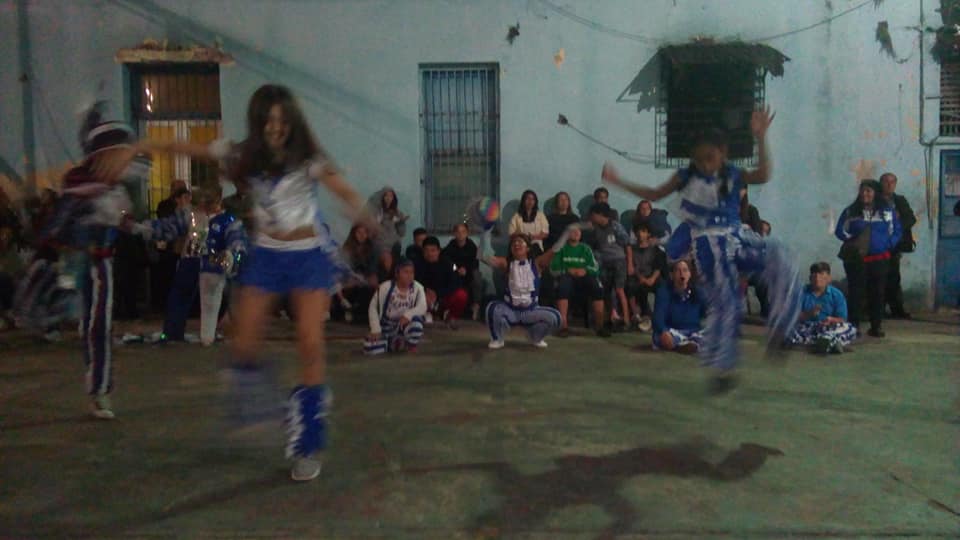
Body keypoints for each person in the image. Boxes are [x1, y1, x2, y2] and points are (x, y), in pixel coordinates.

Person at [122, 84, 372, 481]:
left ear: (292, 122)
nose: (275, 127)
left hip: (307, 256)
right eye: (267, 120)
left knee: (310, 344)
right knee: (243, 341)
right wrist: (140, 143)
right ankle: (279, 408)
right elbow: (188, 148)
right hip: (267, 256)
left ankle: (308, 442)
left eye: (282, 120)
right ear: (258, 122)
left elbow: (343, 189)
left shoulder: (309, 158)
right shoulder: (243, 155)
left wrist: (366, 215)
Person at [603, 107, 803, 394]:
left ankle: (781, 330)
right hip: (709, 245)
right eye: (699, 159)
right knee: (727, 303)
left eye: (710, 157)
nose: (705, 165)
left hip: (737, 236)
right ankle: (723, 369)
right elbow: (654, 194)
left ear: (723, 153)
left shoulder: (733, 173)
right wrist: (619, 181)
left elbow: (764, 173)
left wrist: (761, 138)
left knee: (781, 256)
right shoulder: (685, 177)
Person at [479, 226, 570, 349]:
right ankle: (498, 338)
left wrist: (566, 235)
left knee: (556, 318)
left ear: (528, 248)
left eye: (520, 242)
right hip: (510, 310)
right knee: (492, 309)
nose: (516, 244)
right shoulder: (506, 263)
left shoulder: (537, 264)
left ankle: (535, 336)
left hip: (531, 311)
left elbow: (554, 250)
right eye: (514, 243)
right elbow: (482, 257)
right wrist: (484, 234)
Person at [835, 178, 901, 338]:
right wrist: (852, 239)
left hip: (880, 260)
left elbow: (897, 231)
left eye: (869, 191)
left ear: (876, 193)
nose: (865, 194)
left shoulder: (887, 212)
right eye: (862, 191)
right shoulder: (851, 211)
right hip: (856, 260)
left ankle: (876, 326)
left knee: (877, 293)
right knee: (856, 293)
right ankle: (854, 326)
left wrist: (888, 244)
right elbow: (840, 230)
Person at [198, 184, 247, 346]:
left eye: (209, 199)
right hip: (207, 268)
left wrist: (232, 257)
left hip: (222, 268)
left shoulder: (227, 220)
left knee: (230, 302)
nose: (205, 202)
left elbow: (236, 242)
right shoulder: (201, 219)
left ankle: (237, 335)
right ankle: (208, 337)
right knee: (210, 302)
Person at [550, 225, 609, 337]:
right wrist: (568, 270)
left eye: (578, 231)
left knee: (597, 287)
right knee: (563, 287)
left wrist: (585, 270)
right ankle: (563, 327)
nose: (576, 233)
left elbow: (595, 268)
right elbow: (553, 268)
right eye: (573, 231)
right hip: (567, 276)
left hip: (584, 276)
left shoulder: (586, 249)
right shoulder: (561, 248)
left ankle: (600, 326)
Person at [786, 262, 857, 354]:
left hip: (828, 328)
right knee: (788, 330)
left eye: (821, 274)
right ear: (810, 278)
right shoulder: (800, 293)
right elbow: (792, 317)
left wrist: (831, 319)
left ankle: (822, 342)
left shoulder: (837, 294)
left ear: (829, 278)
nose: (817, 278)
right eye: (814, 275)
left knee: (849, 328)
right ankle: (830, 343)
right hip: (807, 327)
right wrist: (809, 314)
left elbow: (842, 319)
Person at [363, 258, 426, 354]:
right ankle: (392, 343)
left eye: (412, 272)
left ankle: (410, 345)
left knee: (416, 324)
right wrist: (375, 329)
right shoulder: (385, 287)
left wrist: (408, 315)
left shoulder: (418, 288)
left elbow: (422, 306)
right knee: (370, 347)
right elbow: (373, 307)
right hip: (385, 327)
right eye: (406, 272)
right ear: (397, 273)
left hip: (403, 326)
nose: (409, 276)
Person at [588, 202, 631, 330]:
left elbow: (627, 244)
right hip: (604, 263)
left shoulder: (615, 226)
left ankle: (626, 320)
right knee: (606, 291)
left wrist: (630, 264)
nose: (592, 218)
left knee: (619, 289)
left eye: (593, 215)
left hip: (619, 261)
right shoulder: (594, 229)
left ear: (600, 214)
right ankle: (609, 318)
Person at [879, 172, 916, 319]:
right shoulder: (875, 200)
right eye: (886, 182)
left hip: (895, 245)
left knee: (894, 277)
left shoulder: (900, 200)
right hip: (879, 244)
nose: (889, 185)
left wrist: (897, 225)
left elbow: (911, 218)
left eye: (892, 182)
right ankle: (878, 309)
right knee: (879, 277)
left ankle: (897, 309)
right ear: (881, 183)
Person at [652, 260, 706, 354]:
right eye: (678, 270)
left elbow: (708, 312)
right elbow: (658, 317)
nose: (682, 274)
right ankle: (684, 345)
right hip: (673, 331)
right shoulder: (664, 291)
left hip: (694, 331)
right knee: (660, 336)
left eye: (685, 270)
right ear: (672, 275)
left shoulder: (698, 292)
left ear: (690, 274)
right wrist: (663, 331)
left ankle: (687, 344)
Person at [415, 236, 467, 326]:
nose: (430, 254)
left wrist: (437, 293)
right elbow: (413, 282)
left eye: (433, 250)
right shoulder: (416, 263)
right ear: (423, 251)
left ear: (439, 251)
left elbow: (456, 283)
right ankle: (428, 313)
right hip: (425, 297)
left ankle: (450, 316)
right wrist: (425, 291)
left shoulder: (448, 263)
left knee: (461, 295)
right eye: (426, 250)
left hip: (443, 296)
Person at [336, 223, 380, 324]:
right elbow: (344, 266)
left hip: (366, 277)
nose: (362, 235)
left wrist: (365, 277)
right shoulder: (347, 247)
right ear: (354, 234)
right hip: (350, 276)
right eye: (359, 232)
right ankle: (345, 303)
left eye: (364, 233)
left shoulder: (372, 248)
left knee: (373, 284)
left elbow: (372, 268)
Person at [627, 222, 667, 332]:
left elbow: (658, 267)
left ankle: (660, 316)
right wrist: (641, 278)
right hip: (639, 277)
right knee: (631, 286)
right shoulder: (632, 249)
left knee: (661, 286)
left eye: (644, 231)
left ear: (648, 234)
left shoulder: (655, 249)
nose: (640, 234)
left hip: (652, 277)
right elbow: (633, 267)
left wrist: (652, 279)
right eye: (638, 231)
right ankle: (638, 316)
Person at [442, 223, 483, 320]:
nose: (460, 234)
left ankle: (476, 305)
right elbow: (446, 261)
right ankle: (447, 307)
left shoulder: (472, 246)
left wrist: (466, 270)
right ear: (454, 233)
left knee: (477, 276)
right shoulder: (450, 246)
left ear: (467, 233)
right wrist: (456, 269)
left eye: (463, 232)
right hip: (455, 272)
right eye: (458, 232)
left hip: (468, 272)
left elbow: (475, 263)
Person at [508, 189, 550, 257]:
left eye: (532, 199)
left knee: (534, 248)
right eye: (528, 199)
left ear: (535, 201)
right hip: (520, 244)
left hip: (536, 245)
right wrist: (523, 236)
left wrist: (534, 237)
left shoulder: (540, 215)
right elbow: (511, 234)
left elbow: (546, 233)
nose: (530, 201)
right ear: (523, 201)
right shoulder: (516, 216)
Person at [375, 186, 408, 262]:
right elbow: (372, 229)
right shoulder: (376, 211)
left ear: (394, 198)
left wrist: (401, 222)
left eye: (391, 196)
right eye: (386, 195)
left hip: (394, 246)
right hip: (380, 246)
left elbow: (402, 233)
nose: (388, 198)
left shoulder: (398, 213)